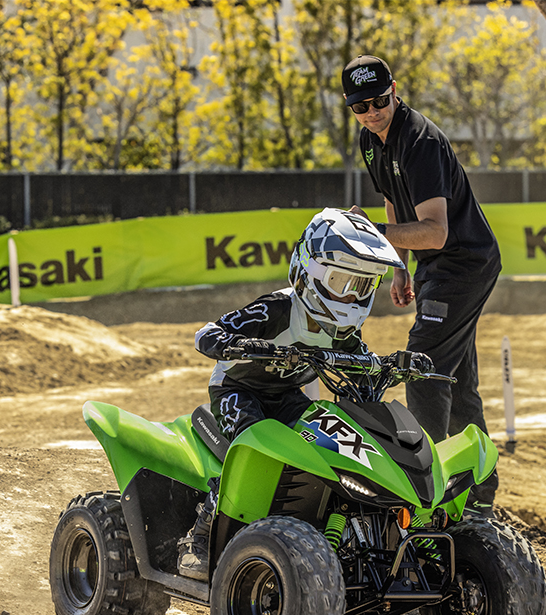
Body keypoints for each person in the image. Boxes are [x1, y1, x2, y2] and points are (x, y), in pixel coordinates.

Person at [177, 207, 418, 579]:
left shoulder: (344, 332)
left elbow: (360, 362)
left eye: (362, 286)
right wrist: (244, 346)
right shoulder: (277, 308)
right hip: (238, 390)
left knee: (322, 447)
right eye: (342, 283)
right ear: (310, 272)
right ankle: (199, 541)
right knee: (249, 447)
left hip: (288, 394)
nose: (352, 297)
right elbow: (206, 334)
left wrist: (386, 367)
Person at [341, 54, 500, 518]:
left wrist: (367, 232)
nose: (371, 112)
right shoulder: (372, 141)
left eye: (379, 100)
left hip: (464, 265)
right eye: (359, 106)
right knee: (457, 384)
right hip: (435, 270)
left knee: (423, 369)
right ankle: (479, 492)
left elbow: (434, 230)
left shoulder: (422, 141)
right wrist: (399, 267)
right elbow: (395, 201)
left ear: (395, 89)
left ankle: (423, 495)